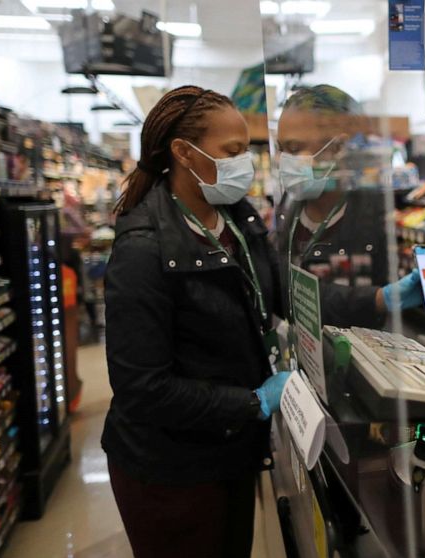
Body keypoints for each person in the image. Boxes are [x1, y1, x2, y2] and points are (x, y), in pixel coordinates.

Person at [102, 85, 291, 558]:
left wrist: (379, 296)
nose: (243, 163)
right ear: (184, 153)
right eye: (232, 152)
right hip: (168, 470)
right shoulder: (143, 248)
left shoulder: (238, 219)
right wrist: (251, 402)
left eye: (246, 151)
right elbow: (140, 387)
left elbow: (286, 291)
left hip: (229, 451)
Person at [275, 84, 425, 328]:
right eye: (280, 149)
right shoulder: (285, 212)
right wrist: (378, 299)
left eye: (294, 149)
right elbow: (284, 296)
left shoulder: (379, 215)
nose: (282, 161)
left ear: (338, 148)